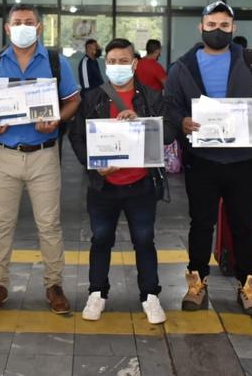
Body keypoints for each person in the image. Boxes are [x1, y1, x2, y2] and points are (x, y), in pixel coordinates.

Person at [164, 1, 252, 316]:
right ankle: (197, 283)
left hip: (242, 160)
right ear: (200, 26)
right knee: (201, 224)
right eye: (212, 24)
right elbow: (171, 105)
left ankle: (248, 287)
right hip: (202, 161)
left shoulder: (251, 61)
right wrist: (182, 122)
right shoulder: (181, 67)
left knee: (244, 226)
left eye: (224, 25)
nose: (218, 30)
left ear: (234, 28)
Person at [0, 3, 81, 315]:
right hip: (4, 155)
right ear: (7, 29)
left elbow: (74, 100)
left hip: (44, 155)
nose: (22, 26)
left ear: (39, 28)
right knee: (2, 223)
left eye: (28, 22)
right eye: (17, 22)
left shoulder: (57, 62)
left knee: (49, 224)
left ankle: (54, 284)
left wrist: (57, 118)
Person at [70, 38, 175, 324]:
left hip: (141, 184)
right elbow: (77, 137)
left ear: (135, 63)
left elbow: (168, 132)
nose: (117, 67)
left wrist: (141, 120)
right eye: (112, 62)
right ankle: (97, 293)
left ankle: (150, 295)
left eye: (123, 61)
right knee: (101, 239)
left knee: (144, 240)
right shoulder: (91, 98)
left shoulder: (152, 97)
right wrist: (93, 165)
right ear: (106, 64)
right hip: (103, 185)